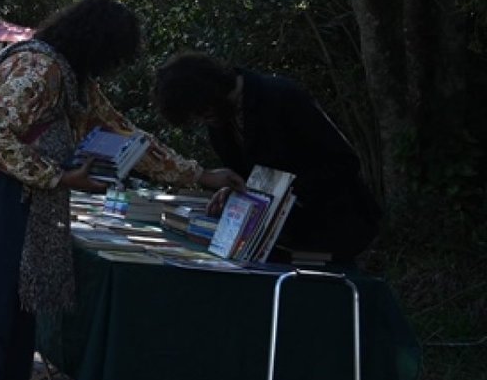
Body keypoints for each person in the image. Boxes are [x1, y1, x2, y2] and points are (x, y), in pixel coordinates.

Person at [0, 0, 243, 380]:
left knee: (18, 327)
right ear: (97, 44)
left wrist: (198, 175)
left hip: (16, 200)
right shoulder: (43, 70)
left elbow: (124, 134)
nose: (113, 68)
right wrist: (59, 177)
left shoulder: (68, 75)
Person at [153, 52, 381, 261]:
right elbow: (249, 177)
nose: (203, 119)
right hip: (280, 238)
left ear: (210, 94)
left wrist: (284, 191)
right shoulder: (220, 120)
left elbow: (344, 161)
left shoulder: (281, 96)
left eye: (202, 112)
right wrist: (234, 190)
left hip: (333, 228)